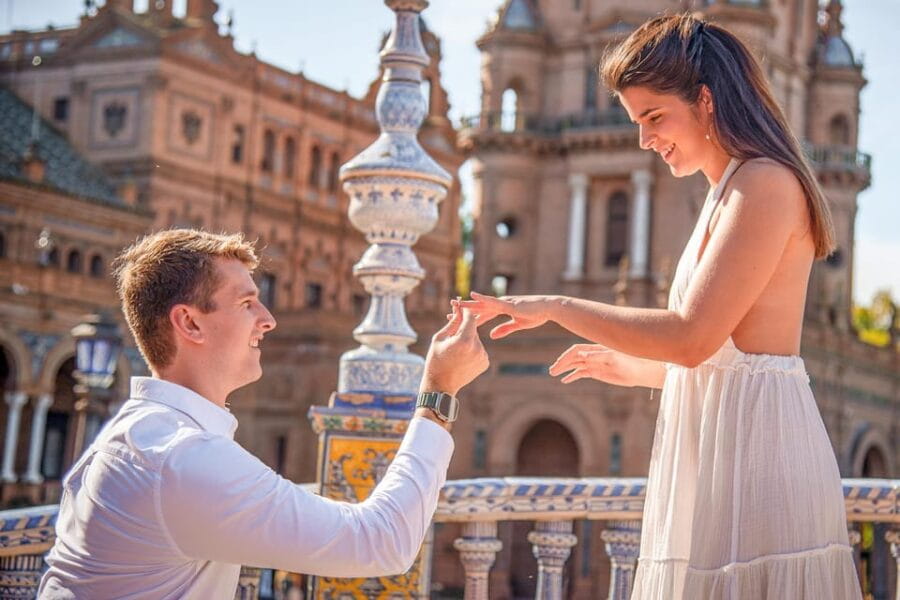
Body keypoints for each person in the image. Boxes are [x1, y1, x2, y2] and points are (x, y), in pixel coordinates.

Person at [461, 14, 861, 600]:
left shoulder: (765, 184)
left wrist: (557, 305)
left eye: (654, 117)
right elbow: (730, 352)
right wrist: (638, 368)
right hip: (725, 443)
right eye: (635, 122)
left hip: (757, 456)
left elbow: (693, 336)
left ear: (705, 101)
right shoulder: (726, 191)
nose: (645, 139)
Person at [38, 229, 489, 599]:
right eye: (246, 302)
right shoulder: (183, 459)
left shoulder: (138, 431)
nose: (268, 318)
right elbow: (380, 543)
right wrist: (439, 392)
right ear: (189, 323)